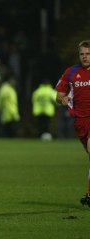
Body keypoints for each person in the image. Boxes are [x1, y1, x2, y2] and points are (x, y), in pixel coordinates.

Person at [55, 39, 90, 207]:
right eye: (82, 54)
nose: (84, 57)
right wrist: (63, 99)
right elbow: (58, 95)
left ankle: (89, 194)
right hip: (80, 121)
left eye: (88, 54)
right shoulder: (71, 72)